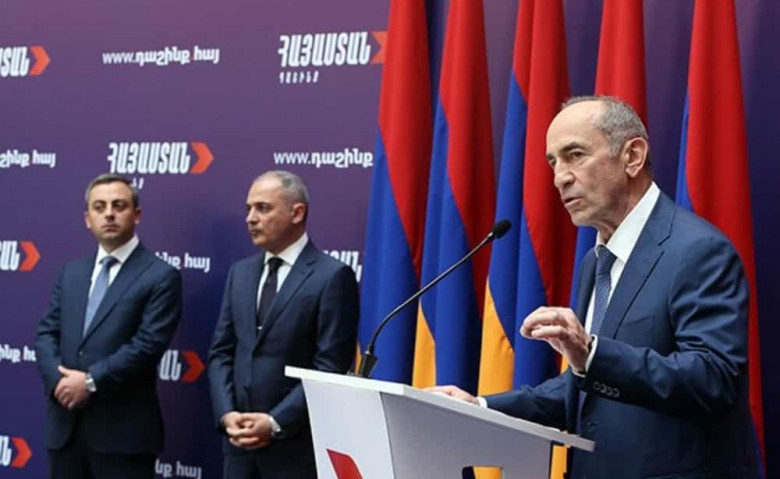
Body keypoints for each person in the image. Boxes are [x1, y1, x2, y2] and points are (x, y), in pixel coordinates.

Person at [430, 96, 758, 478]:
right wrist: (480, 407)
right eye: (553, 163)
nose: (560, 178)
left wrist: (591, 354)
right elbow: (587, 390)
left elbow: (713, 379)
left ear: (632, 156)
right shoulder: (595, 262)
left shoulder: (698, 250)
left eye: (574, 155)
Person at [208, 170, 359, 479]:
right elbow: (221, 352)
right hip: (239, 449)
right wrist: (227, 414)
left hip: (295, 451)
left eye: (262, 208)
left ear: (297, 212)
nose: (251, 218)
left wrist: (275, 422)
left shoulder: (331, 276)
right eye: (248, 208)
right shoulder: (240, 273)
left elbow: (329, 367)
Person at [35, 173, 183, 479]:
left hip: (123, 436)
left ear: (137, 215)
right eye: (99, 207)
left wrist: (89, 382)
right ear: (87, 219)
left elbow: (148, 345)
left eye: (119, 205)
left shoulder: (160, 276)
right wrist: (59, 382)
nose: (109, 214)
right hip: (66, 429)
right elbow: (47, 333)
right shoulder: (71, 273)